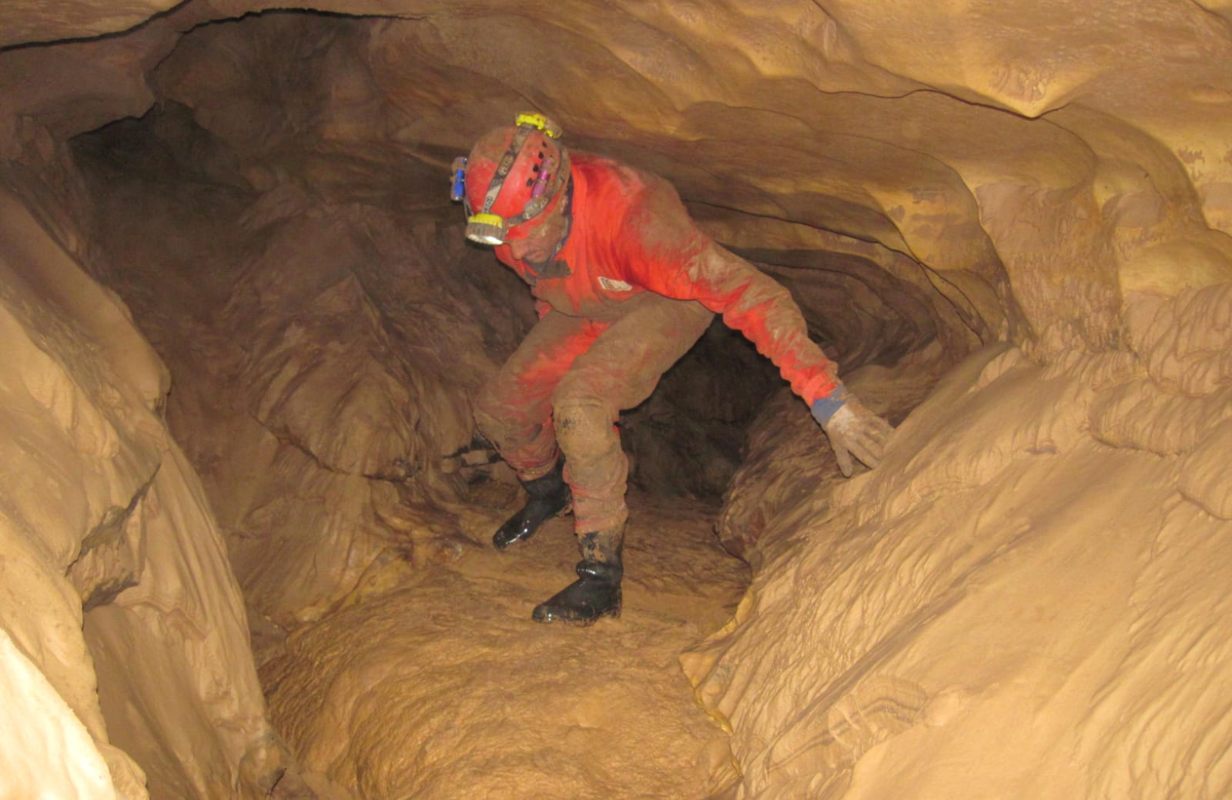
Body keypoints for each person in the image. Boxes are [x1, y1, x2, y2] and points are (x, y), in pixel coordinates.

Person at [451, 112, 894, 625]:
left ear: (556, 197)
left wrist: (829, 400)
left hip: (662, 301)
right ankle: (548, 494)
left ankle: (600, 578)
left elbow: (753, 294)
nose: (516, 250)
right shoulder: (507, 232)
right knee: (500, 409)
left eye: (525, 235)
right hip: (590, 302)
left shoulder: (638, 222)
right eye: (503, 238)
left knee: (580, 405)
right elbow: (549, 282)